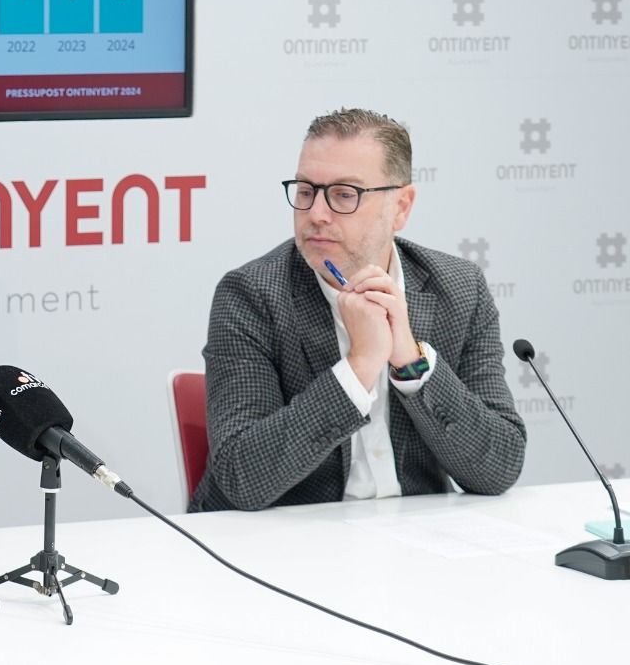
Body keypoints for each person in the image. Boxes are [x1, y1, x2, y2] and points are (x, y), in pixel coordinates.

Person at [188, 108, 526, 513]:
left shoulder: (459, 289)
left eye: (344, 195)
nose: (316, 214)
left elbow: (499, 468)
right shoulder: (251, 295)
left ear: (401, 206)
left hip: (417, 532)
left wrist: (410, 361)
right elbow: (242, 478)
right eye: (306, 191)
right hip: (288, 535)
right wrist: (359, 366)